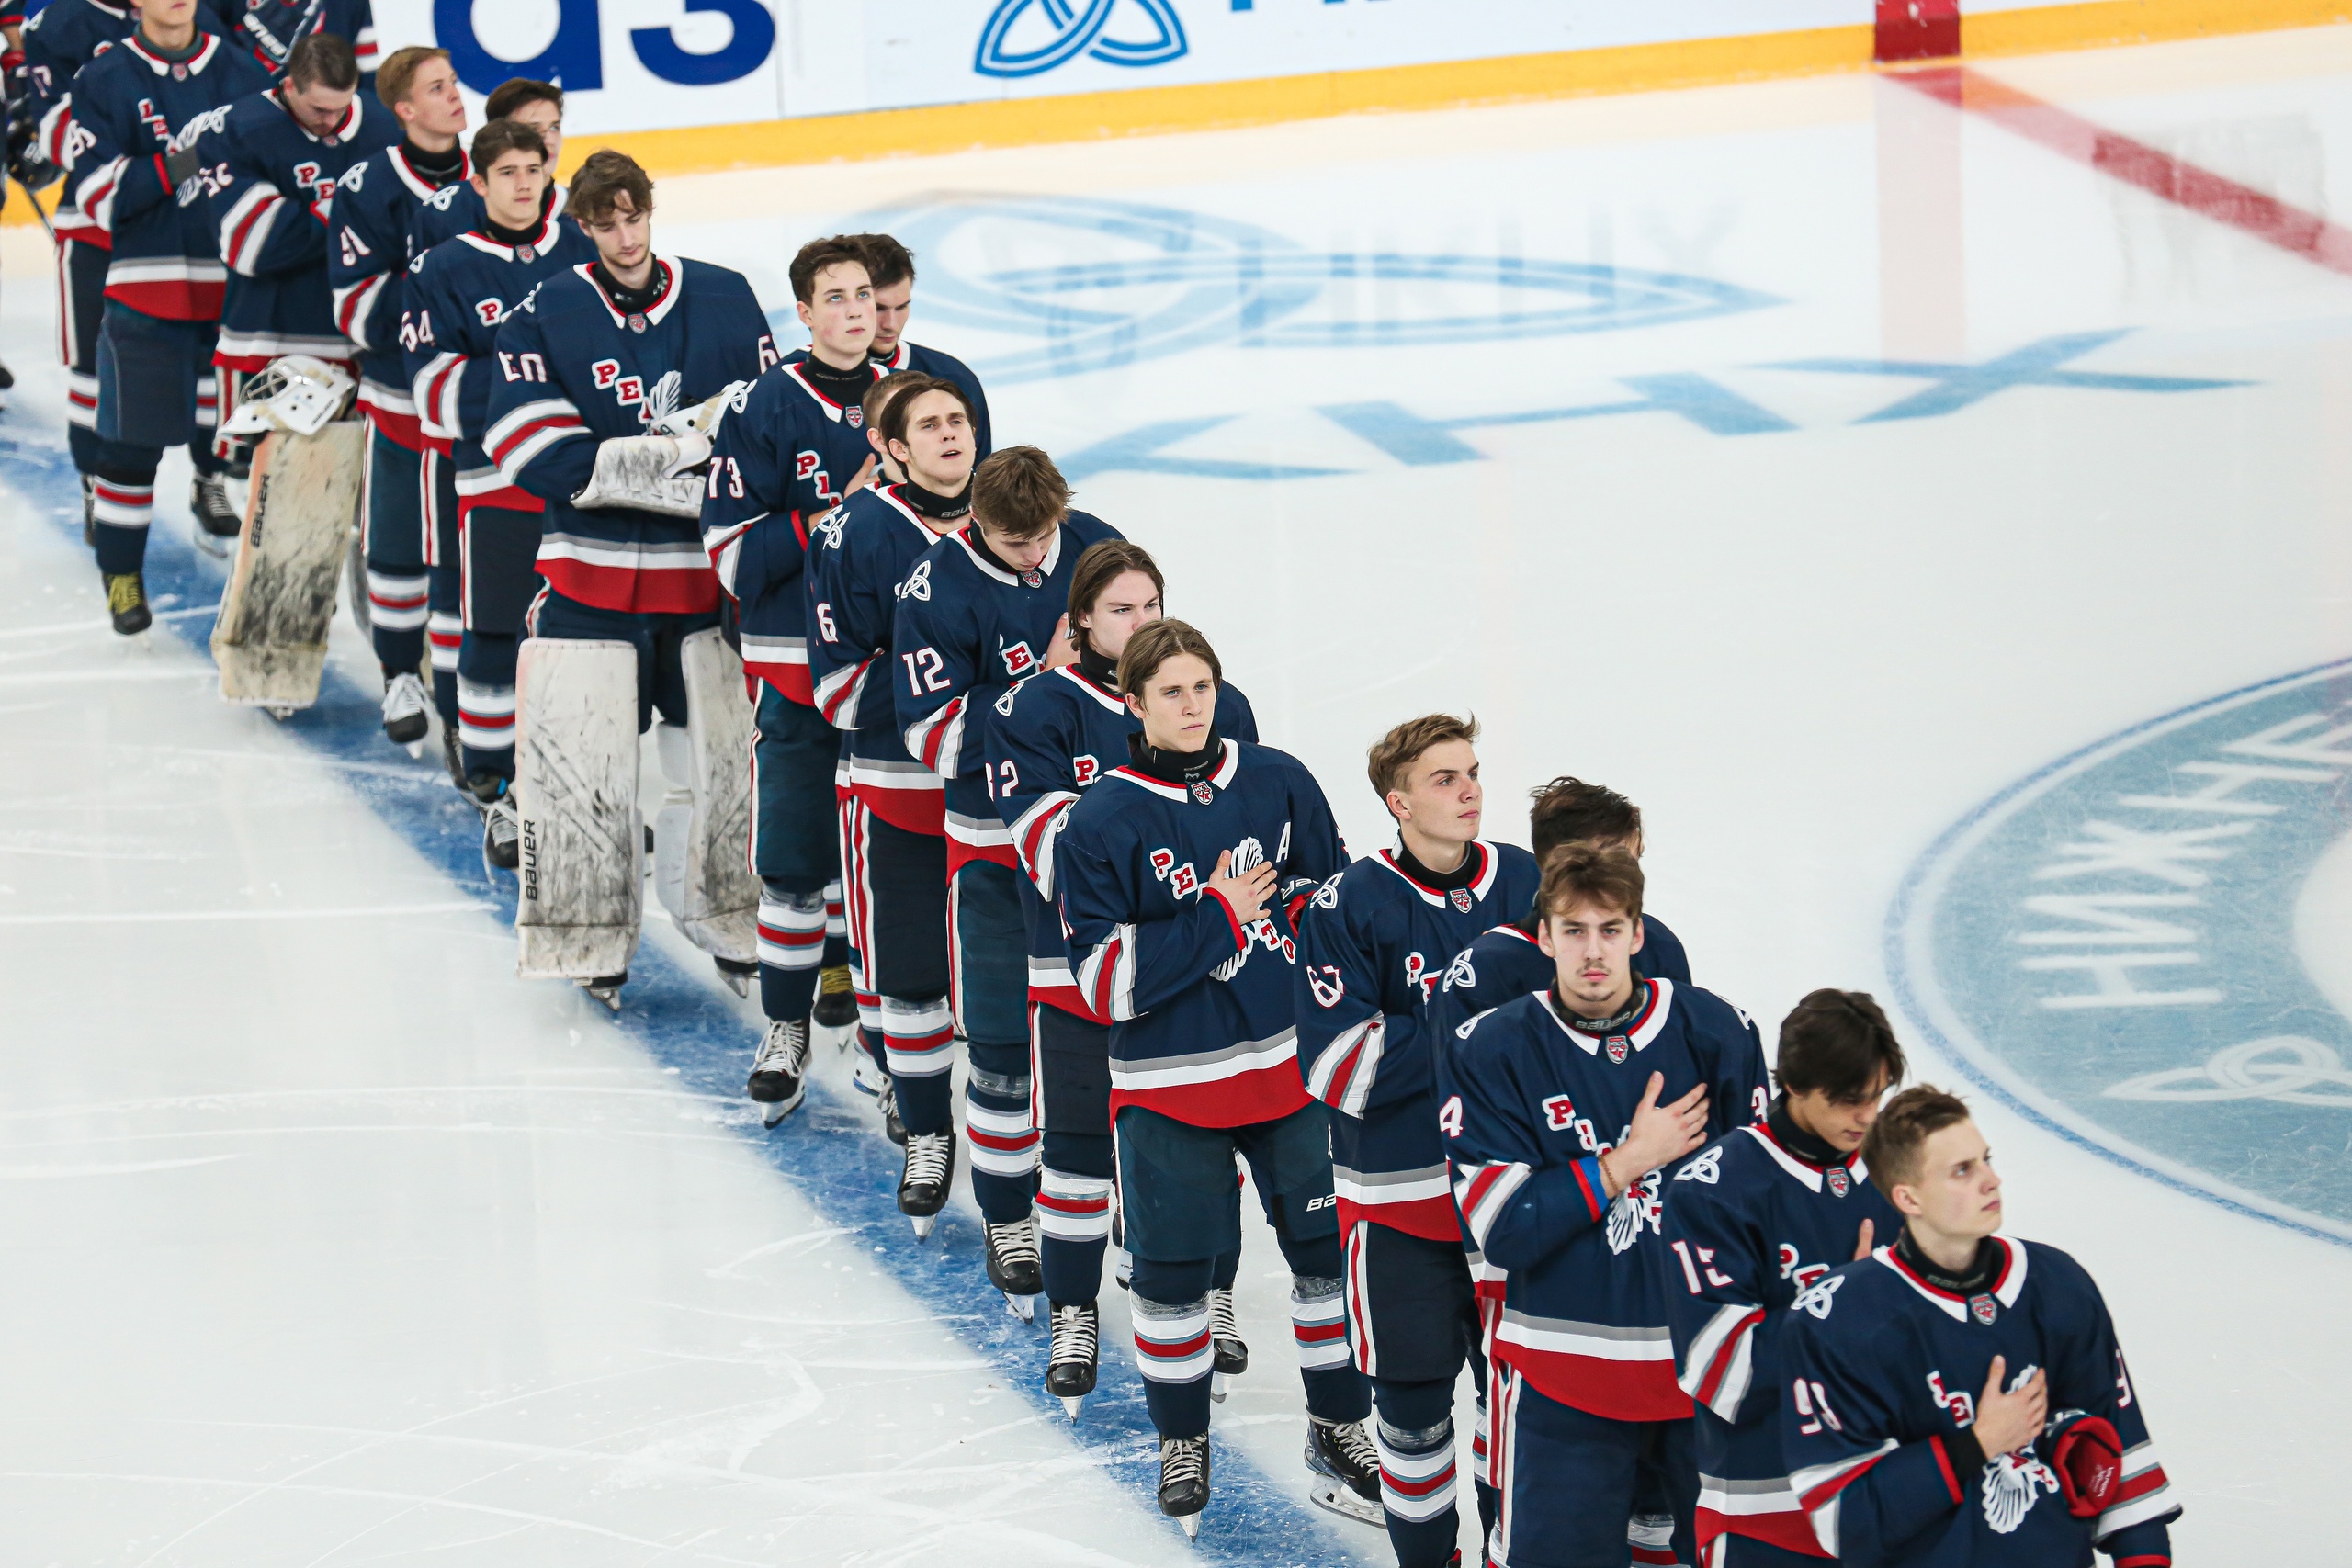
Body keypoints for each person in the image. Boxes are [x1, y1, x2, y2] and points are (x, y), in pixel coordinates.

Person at [1056, 617, 1380, 1536]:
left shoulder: (1278, 779)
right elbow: (1106, 984)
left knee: (1326, 1261)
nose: (1192, 705)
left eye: (1202, 686)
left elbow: (1334, 907)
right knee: (1169, 1284)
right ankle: (1182, 1438)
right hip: (1169, 1088)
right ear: (1134, 702)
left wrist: (1302, 921)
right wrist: (1221, 916)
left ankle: (1337, 1427)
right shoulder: (1100, 819)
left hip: (1290, 1076)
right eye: (1171, 691)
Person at [481, 148, 778, 998]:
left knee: (717, 771)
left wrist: (629, 467)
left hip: (703, 590)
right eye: (605, 223)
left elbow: (763, 433)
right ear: (581, 226)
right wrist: (677, 464)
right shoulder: (544, 310)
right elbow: (523, 444)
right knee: (582, 777)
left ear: (652, 210)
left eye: (634, 216)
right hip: (586, 588)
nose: (624, 235)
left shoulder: (724, 296)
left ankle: (726, 914)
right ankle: (587, 935)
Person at [1439, 843, 1769, 1568]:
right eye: (1575, 930)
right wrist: (1627, 1161)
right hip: (1563, 1378)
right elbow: (1505, 1228)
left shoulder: (1719, 1034)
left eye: (1610, 929)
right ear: (1544, 937)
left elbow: (1760, 1218)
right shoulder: (1492, 1047)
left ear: (1638, 933)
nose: (1594, 951)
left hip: (1703, 1376)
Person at [989, 539, 1261, 1413]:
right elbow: (1053, 854)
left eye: (1151, 605)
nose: (1141, 623)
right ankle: (1074, 1311)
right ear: (1080, 620)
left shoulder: (1218, 703)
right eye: (1120, 609)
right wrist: (1168, 867)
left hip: (1194, 976)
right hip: (1075, 975)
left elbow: (1243, 839)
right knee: (1075, 1154)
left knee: (1206, 1148)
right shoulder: (1033, 708)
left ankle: (1212, 1293)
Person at [1294, 714, 1540, 1566]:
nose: (1470, 789)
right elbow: (1338, 1065)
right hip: (1398, 1212)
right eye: (1445, 778)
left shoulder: (1527, 881)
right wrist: (1484, 1030)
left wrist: (1425, 1034)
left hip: (1513, 1208)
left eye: (1471, 772)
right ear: (1398, 802)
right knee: (1411, 1420)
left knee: (1513, 1414)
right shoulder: (1347, 904)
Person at [893, 446, 1120, 1294]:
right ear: (975, 521)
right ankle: (1007, 1215)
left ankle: (1127, 1206)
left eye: (1044, 537)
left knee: (1111, 1045)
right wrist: (1048, 685)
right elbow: (934, 737)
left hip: (1093, 860)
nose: (1035, 556)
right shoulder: (933, 588)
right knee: (998, 1053)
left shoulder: (1098, 548)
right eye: (1015, 542)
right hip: (992, 855)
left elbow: (1147, 681)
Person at [1779, 1088, 2179, 1565]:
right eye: (1962, 1171)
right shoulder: (1838, 1320)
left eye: (1985, 1160)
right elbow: (1845, 1517)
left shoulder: (2058, 1285)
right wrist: (1977, 1444)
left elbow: (2124, 1461)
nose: (1992, 1181)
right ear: (1908, 1197)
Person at [700, 234, 895, 1110]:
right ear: (805, 314)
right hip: (794, 671)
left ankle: (887, 1037)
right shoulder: (765, 405)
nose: (856, 311)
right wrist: (832, 514)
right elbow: (733, 557)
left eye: (865, 295)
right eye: (836, 298)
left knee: (887, 869)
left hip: (892, 678)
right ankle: (787, 1024)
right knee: (790, 863)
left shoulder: (920, 394)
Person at [400, 116, 592, 862]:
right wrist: (545, 381)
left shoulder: (579, 250)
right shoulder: (441, 268)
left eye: (533, 170)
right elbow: (434, 393)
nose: (523, 184)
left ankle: (571, 780)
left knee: (579, 638)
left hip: (581, 483)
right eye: (506, 172)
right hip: (494, 481)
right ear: (477, 183)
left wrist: (526, 380)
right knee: (495, 629)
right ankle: (494, 784)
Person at [1659, 991, 1907, 1565]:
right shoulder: (1714, 1189)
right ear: (1793, 1083)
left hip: (1889, 1502)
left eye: (1877, 1096)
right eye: (1848, 1100)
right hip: (1763, 1514)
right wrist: (1845, 1309)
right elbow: (1721, 1370)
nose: (1867, 1116)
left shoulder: (1899, 1171)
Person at [798, 375, 967, 1198]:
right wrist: (960, 683)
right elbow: (838, 692)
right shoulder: (852, 533)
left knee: (1019, 992)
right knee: (908, 975)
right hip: (895, 796)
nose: (950, 434)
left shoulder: (1018, 522)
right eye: (929, 425)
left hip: (1001, 807)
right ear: (892, 448)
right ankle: (928, 1128)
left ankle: (1038, 1145)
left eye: (958, 420)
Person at [62, 0, 270, 631]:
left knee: (229, 439)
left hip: (232, 292)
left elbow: (268, 175)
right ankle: (122, 575)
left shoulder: (241, 71)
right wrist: (183, 162)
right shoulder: (104, 77)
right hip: (145, 289)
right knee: (128, 448)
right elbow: (100, 195)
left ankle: (212, 491)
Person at [329, 43, 469, 750]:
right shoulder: (367, 187)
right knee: (398, 539)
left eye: (454, 82)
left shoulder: (492, 174)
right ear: (405, 109)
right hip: (401, 402)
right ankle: (398, 674)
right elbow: (355, 311)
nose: (455, 95)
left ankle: (471, 677)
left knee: (473, 549)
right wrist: (444, 287)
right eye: (437, 88)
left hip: (480, 408)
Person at [14, 0, 146, 547]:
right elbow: (58, 130)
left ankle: (209, 475)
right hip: (93, 225)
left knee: (197, 367)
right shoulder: (59, 25)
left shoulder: (192, 19)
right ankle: (95, 481)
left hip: (178, 228)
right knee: (92, 368)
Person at [200, 33, 394, 399]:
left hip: (362, 349)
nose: (331, 121)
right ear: (289, 86)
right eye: (319, 110)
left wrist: (312, 217)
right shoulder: (237, 129)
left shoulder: (386, 125)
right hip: (262, 344)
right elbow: (252, 245)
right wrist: (360, 211)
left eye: (342, 107)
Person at [1430, 776, 1691, 1044]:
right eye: (1617, 865)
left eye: (1635, 862)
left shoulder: (1658, 944)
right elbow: (1458, 1070)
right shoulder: (1482, 972)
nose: (1632, 878)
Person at [827, 232, 991, 458]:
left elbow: (980, 476)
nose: (891, 325)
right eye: (879, 308)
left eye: (902, 307)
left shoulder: (954, 378)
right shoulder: (792, 386)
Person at [411, 77, 562, 251]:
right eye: (533, 129)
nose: (549, 140)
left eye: (554, 127)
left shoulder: (577, 208)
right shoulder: (447, 212)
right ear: (497, 134)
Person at [202, 0, 378, 87]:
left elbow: (367, 86)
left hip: (318, 123)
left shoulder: (352, 4)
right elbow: (207, 67)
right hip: (240, 114)